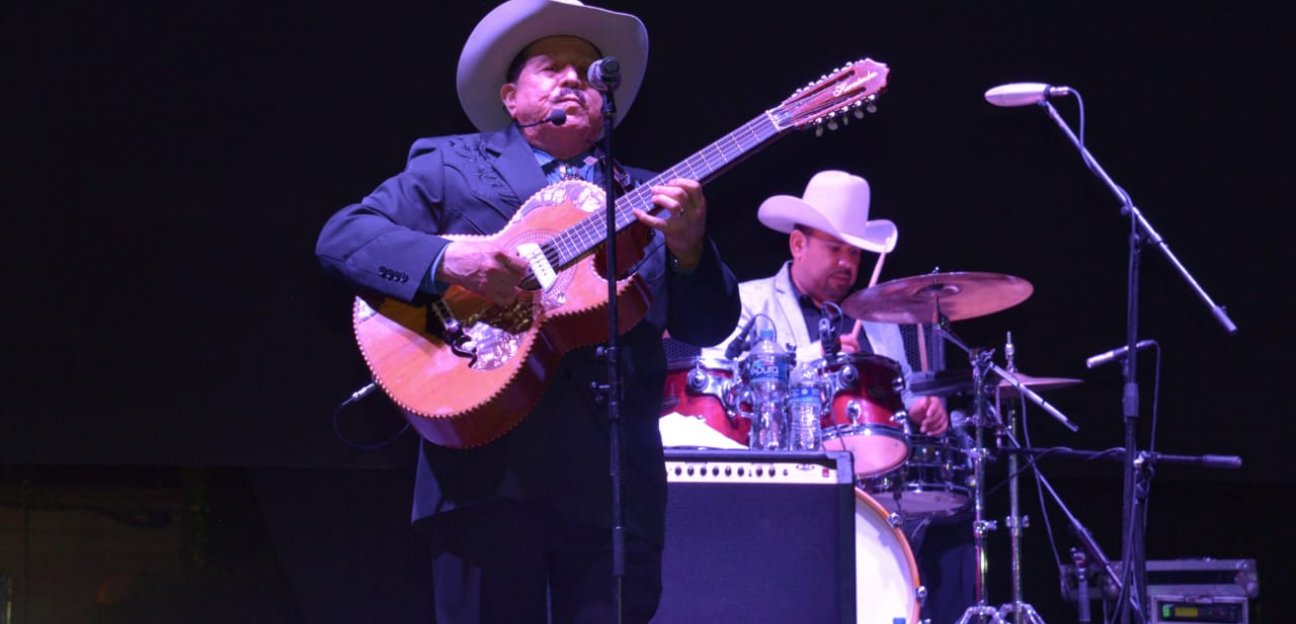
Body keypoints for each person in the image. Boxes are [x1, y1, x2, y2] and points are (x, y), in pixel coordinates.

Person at [314, 1, 741, 622]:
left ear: (607, 102)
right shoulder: (453, 166)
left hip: (614, 486)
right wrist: (450, 264)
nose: (573, 78)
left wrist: (691, 253)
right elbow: (343, 237)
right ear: (512, 98)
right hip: (482, 470)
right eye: (552, 67)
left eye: (590, 71)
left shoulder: (655, 199)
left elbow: (708, 327)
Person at [701, 169, 975, 623]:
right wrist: (812, 360)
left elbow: (890, 408)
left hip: (876, 494)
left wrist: (923, 412)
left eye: (854, 252)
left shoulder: (879, 319)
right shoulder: (747, 304)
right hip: (780, 492)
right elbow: (714, 389)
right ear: (797, 245)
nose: (848, 262)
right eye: (835, 248)